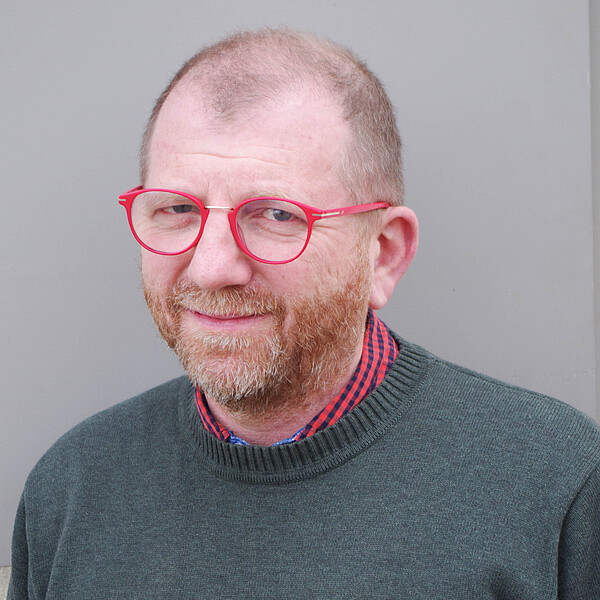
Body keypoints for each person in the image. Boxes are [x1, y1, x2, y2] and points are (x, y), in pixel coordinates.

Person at [8, 28, 600, 599]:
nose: (211, 268)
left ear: (383, 254)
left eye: (277, 215)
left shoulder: (559, 484)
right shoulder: (70, 490)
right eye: (177, 209)